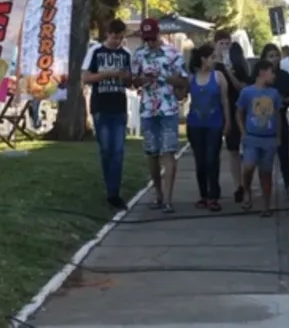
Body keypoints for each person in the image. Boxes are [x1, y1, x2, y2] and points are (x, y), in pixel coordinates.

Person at [132, 18, 189, 213]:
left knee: (168, 151)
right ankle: (158, 193)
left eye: (152, 38)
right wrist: (142, 80)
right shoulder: (139, 54)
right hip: (148, 109)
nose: (150, 42)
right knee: (152, 153)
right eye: (146, 38)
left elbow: (183, 80)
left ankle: (168, 199)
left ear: (159, 34)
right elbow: (134, 81)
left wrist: (162, 76)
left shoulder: (172, 53)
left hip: (168, 109)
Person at [82, 19, 133, 210]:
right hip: (101, 106)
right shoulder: (95, 51)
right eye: (114, 37)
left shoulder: (126, 54)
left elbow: (130, 81)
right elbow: (85, 77)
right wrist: (108, 74)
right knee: (106, 150)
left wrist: (126, 77)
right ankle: (109, 186)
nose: (117, 41)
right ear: (107, 34)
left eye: (120, 38)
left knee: (118, 151)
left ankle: (114, 193)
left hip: (119, 106)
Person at [186, 43, 231, 212]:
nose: (215, 61)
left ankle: (214, 195)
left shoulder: (219, 77)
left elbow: (225, 100)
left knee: (212, 159)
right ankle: (203, 195)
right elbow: (182, 94)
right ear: (203, 59)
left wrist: (228, 122)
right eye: (212, 58)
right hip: (195, 124)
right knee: (200, 161)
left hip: (214, 123)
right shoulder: (192, 78)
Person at [235, 59, 283, 217]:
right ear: (262, 72)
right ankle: (247, 189)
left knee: (266, 172)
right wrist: (243, 132)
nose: (274, 75)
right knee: (248, 166)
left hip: (269, 138)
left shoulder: (274, 94)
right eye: (271, 72)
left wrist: (278, 136)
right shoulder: (247, 92)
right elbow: (239, 112)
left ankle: (266, 205)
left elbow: (278, 116)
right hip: (252, 137)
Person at [213, 32, 250, 203]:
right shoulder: (212, 64)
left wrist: (229, 71)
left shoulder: (236, 63)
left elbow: (241, 86)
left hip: (237, 107)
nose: (224, 47)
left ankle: (244, 184)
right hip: (218, 110)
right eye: (221, 43)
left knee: (240, 148)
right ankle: (237, 186)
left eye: (227, 43)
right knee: (231, 149)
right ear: (215, 45)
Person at [262, 44, 289, 199]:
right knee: (264, 158)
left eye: (276, 55)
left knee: (283, 154)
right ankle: (265, 188)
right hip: (263, 121)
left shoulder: (284, 76)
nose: (275, 59)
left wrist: (285, 100)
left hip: (280, 119)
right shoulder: (260, 77)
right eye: (271, 56)